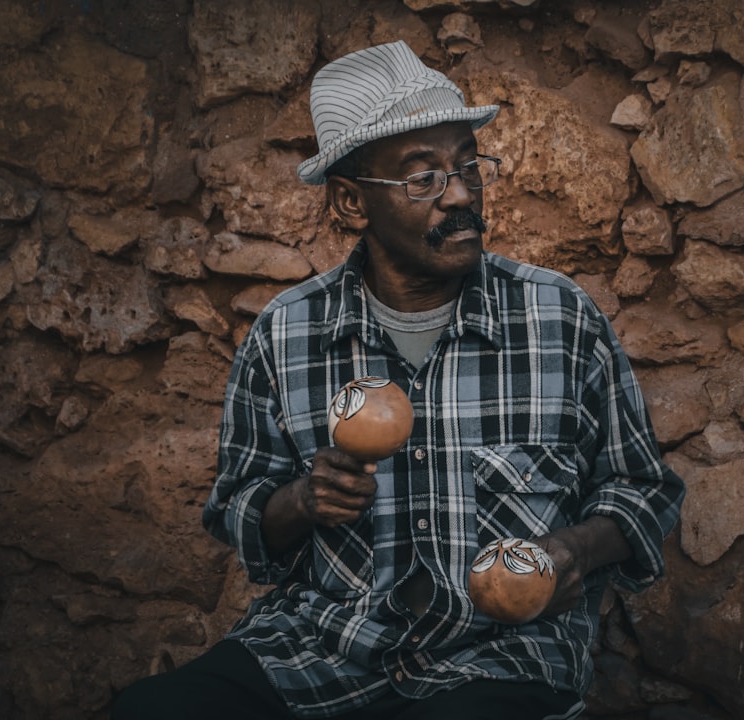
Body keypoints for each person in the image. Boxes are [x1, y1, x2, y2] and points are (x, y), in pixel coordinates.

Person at [113, 40, 684, 720]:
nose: (463, 194)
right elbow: (238, 514)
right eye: (424, 179)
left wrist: (573, 550)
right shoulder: (285, 333)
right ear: (353, 203)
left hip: (498, 656)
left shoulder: (559, 317)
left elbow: (644, 490)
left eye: (469, 167)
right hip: (319, 649)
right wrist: (301, 500)